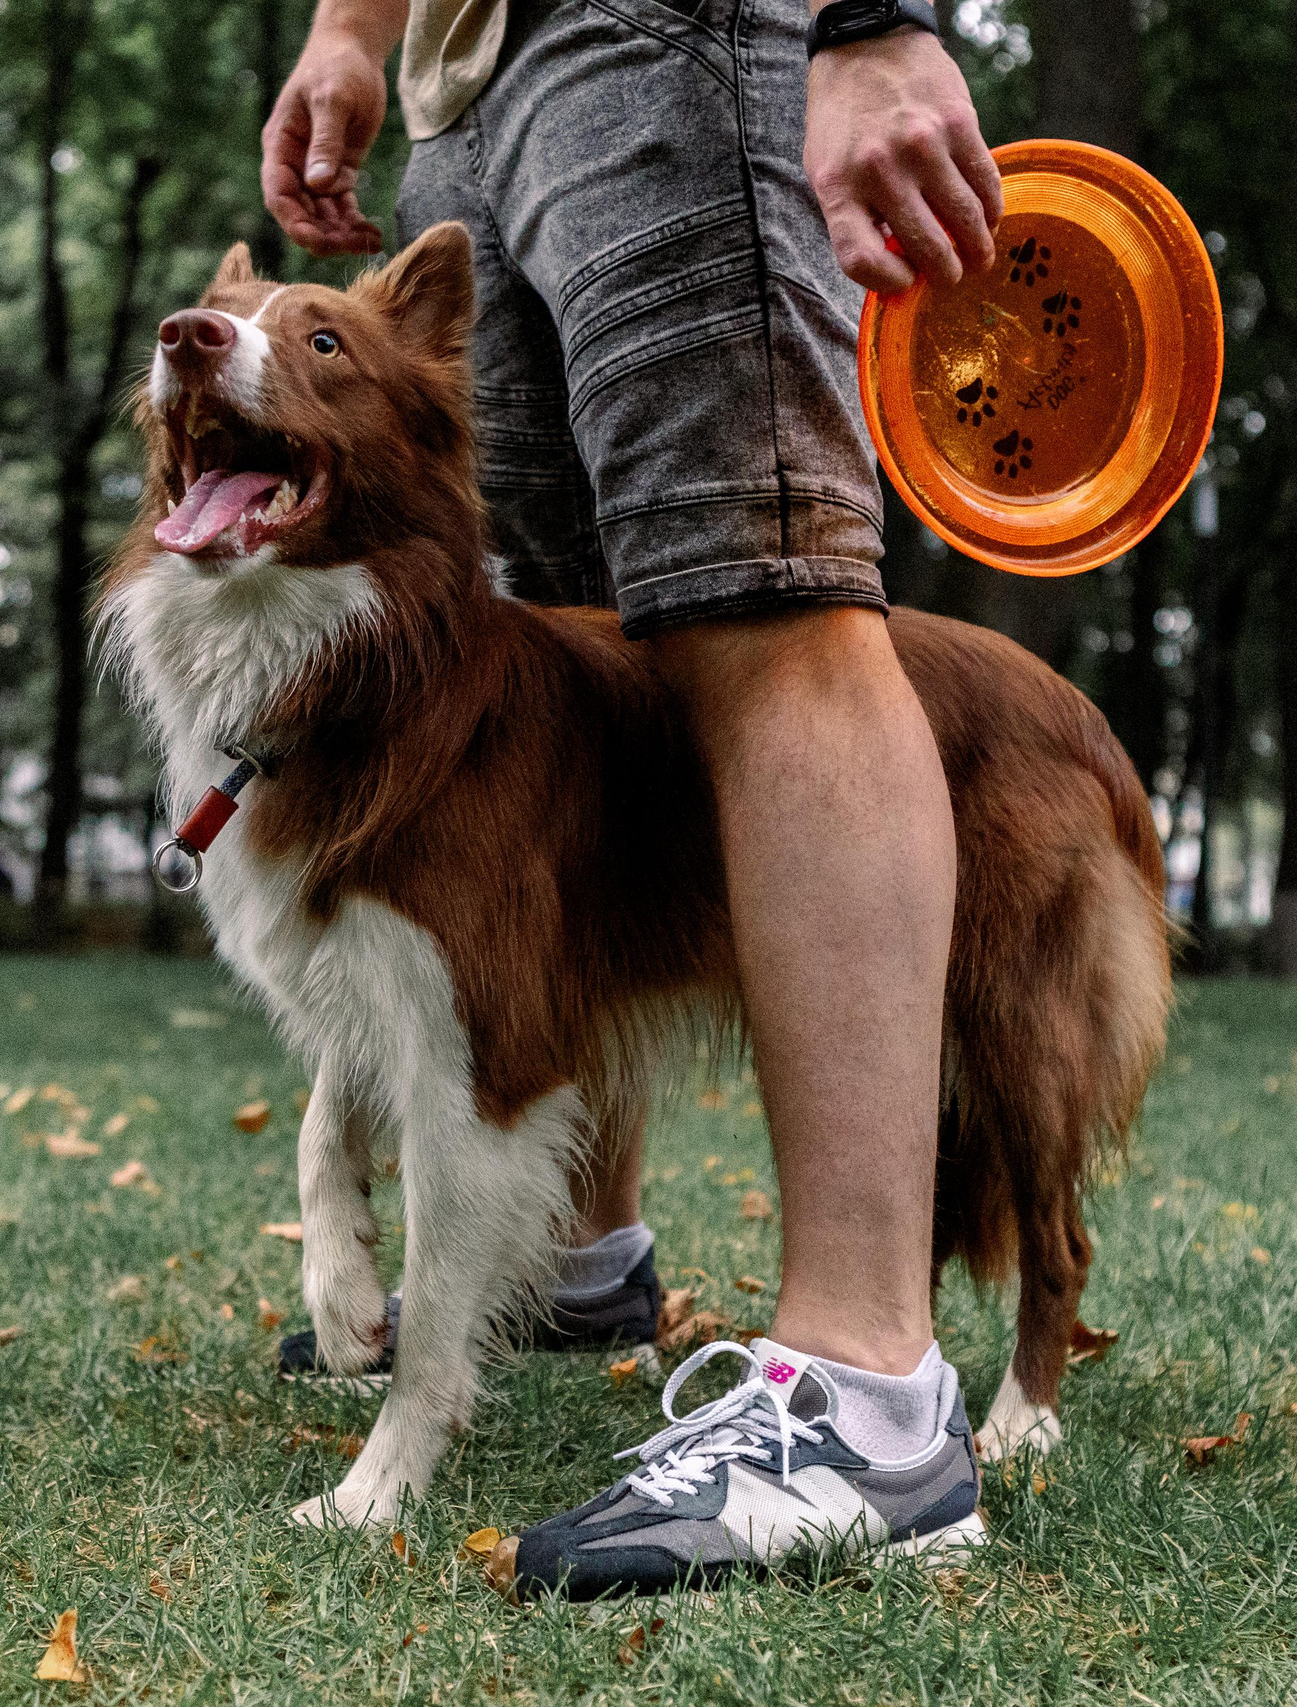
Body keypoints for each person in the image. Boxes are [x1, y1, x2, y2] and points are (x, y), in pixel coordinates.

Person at [262, 0, 1003, 1594]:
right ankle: (582, 1262)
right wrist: (353, 32)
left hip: (674, 25)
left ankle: (870, 1396)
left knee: (770, 596)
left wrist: (871, 24)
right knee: (579, 680)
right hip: (469, 83)